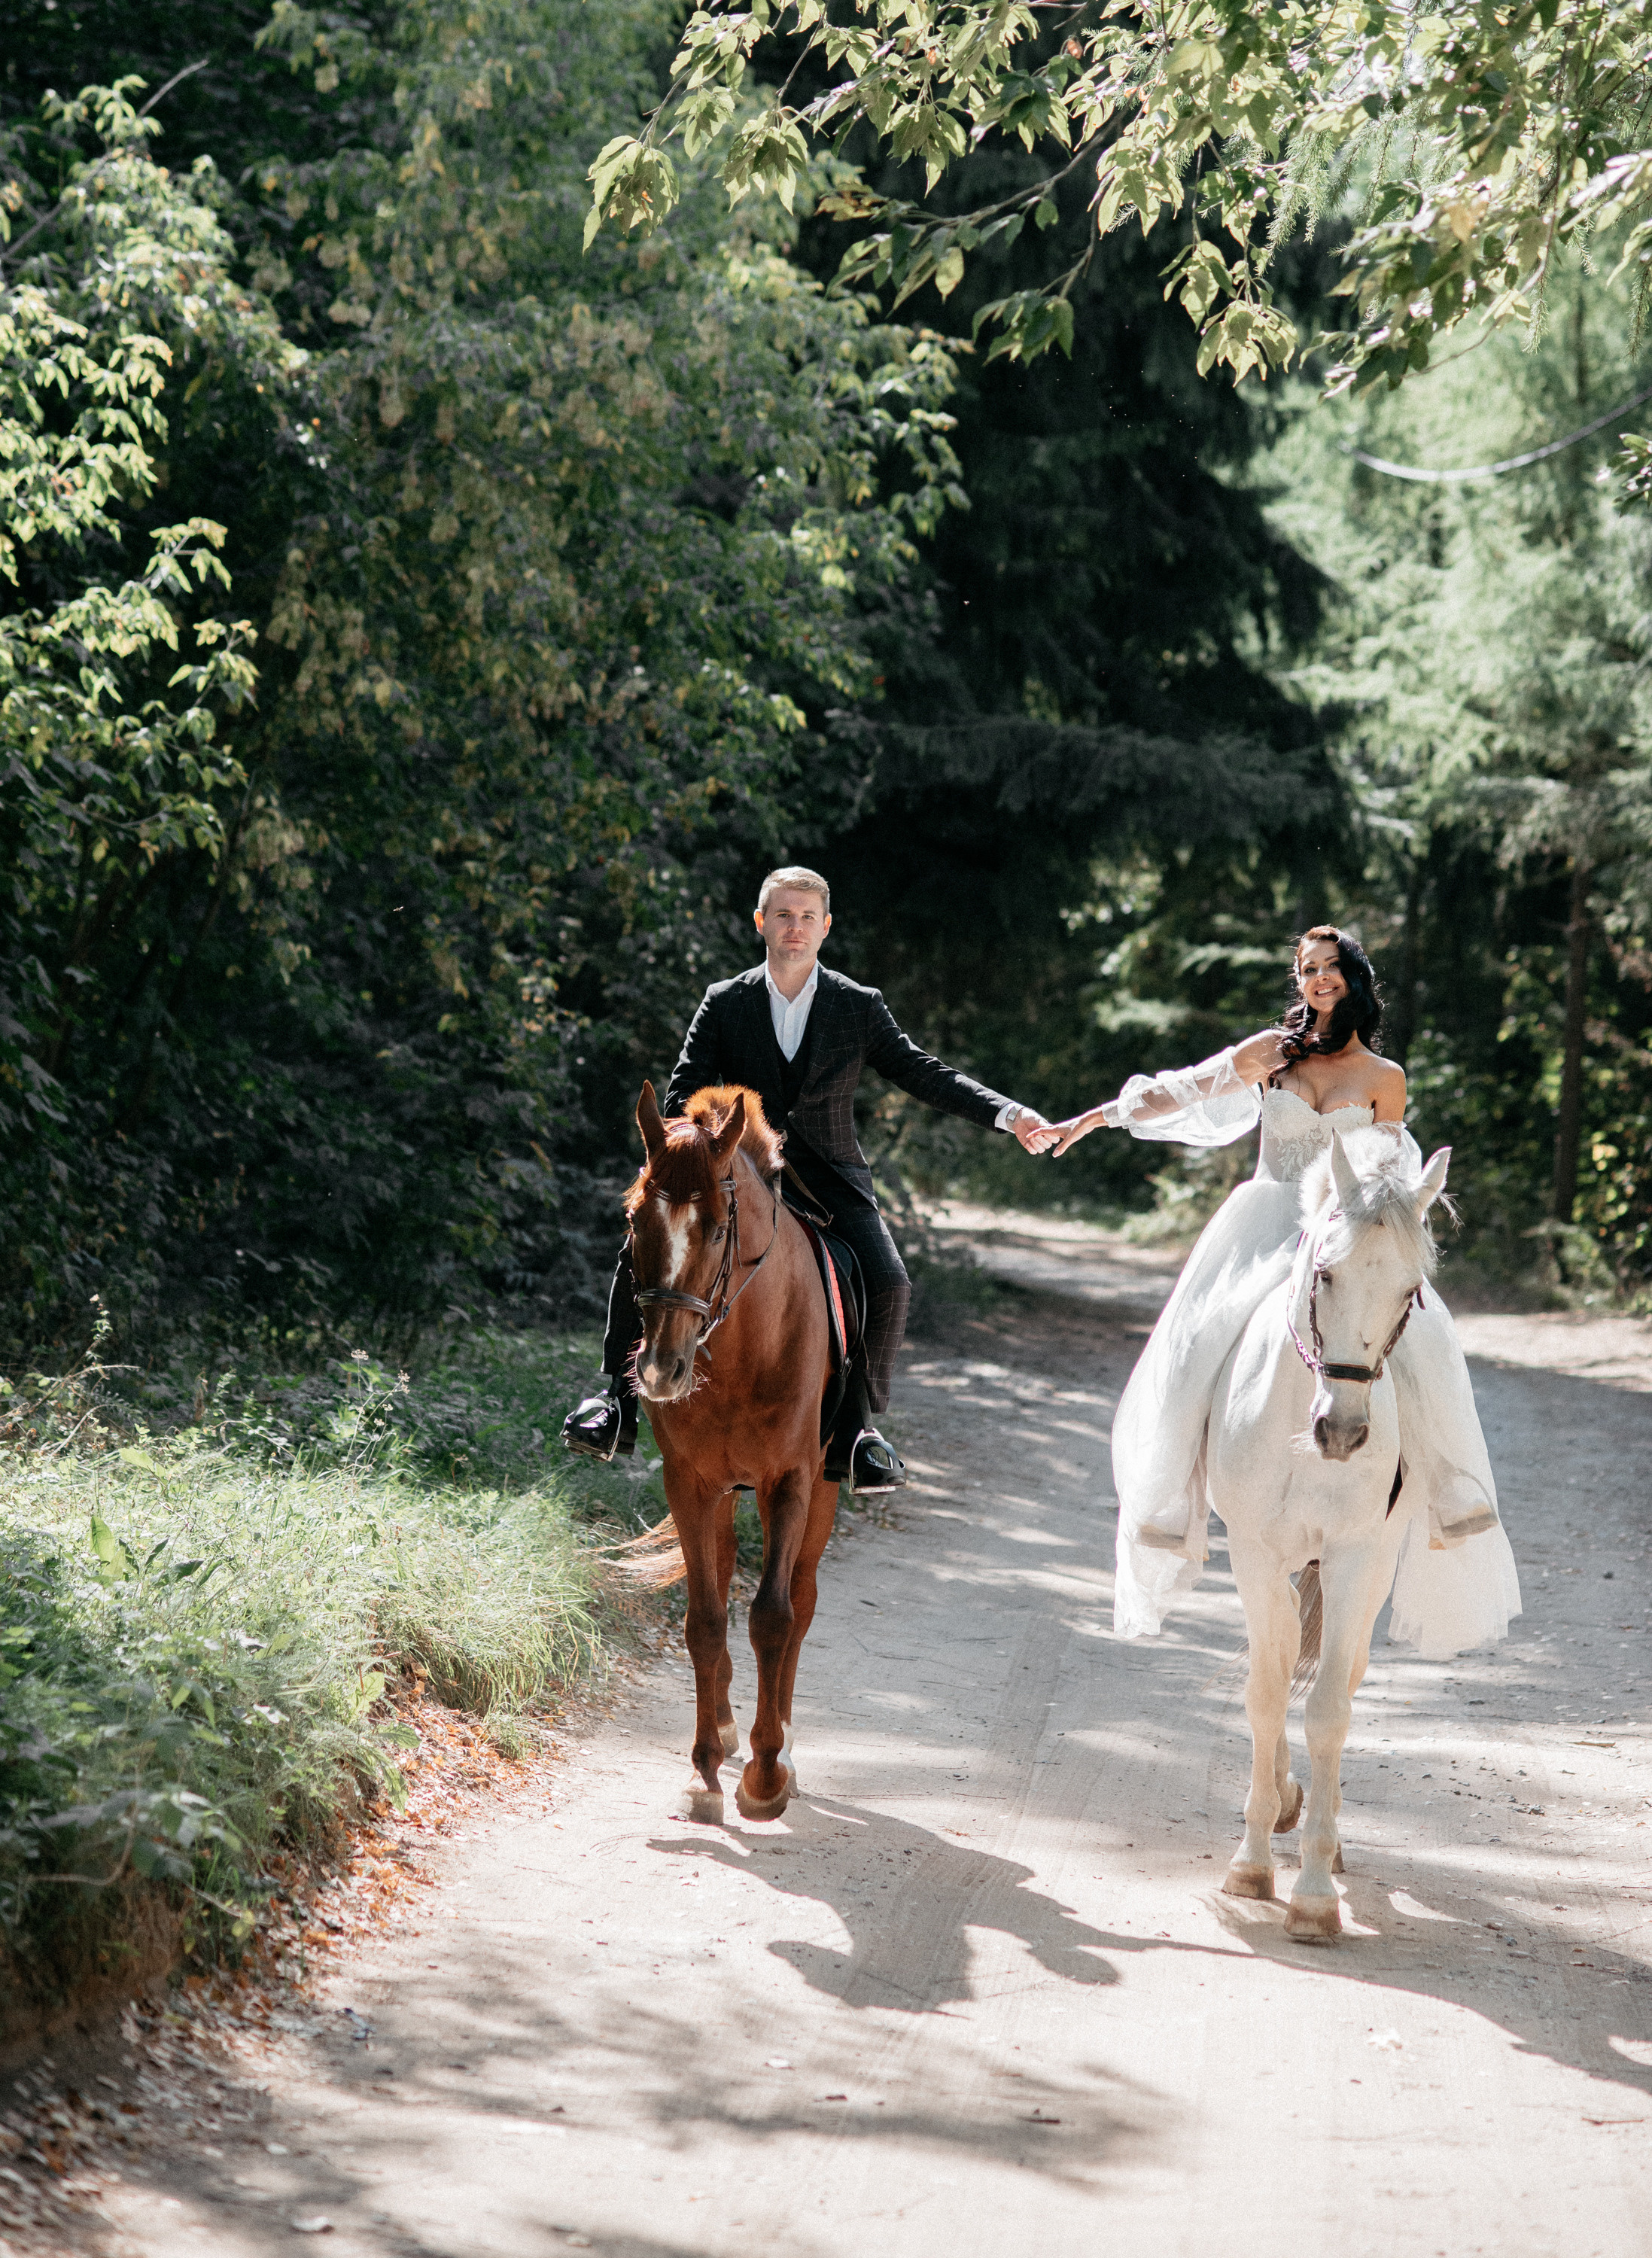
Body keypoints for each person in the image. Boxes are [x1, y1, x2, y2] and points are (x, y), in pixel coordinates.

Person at [1042, 927, 1523, 1657]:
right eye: (1306, 970)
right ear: (1297, 981)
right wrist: (1093, 1118)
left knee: (1420, 1328)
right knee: (1198, 1339)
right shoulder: (1271, 1054)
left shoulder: (1383, 1077)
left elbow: (1389, 1169)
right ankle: (1171, 1497)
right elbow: (1183, 1093)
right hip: (1266, 1223)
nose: (1317, 980)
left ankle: (1449, 1486)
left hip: (1339, 1233)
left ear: (1353, 979)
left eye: (1330, 968)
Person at [562, 866, 1052, 1493]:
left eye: (807, 917)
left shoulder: (857, 1004)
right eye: (783, 915)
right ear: (762, 922)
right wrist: (685, 1149)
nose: (795, 927)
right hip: (735, 1172)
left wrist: (1008, 1115)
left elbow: (921, 1071)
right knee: (642, 1253)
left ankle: (856, 1431)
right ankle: (615, 1404)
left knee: (891, 1283)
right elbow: (684, 1088)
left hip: (830, 1177)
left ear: (825, 928)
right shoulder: (725, 1000)